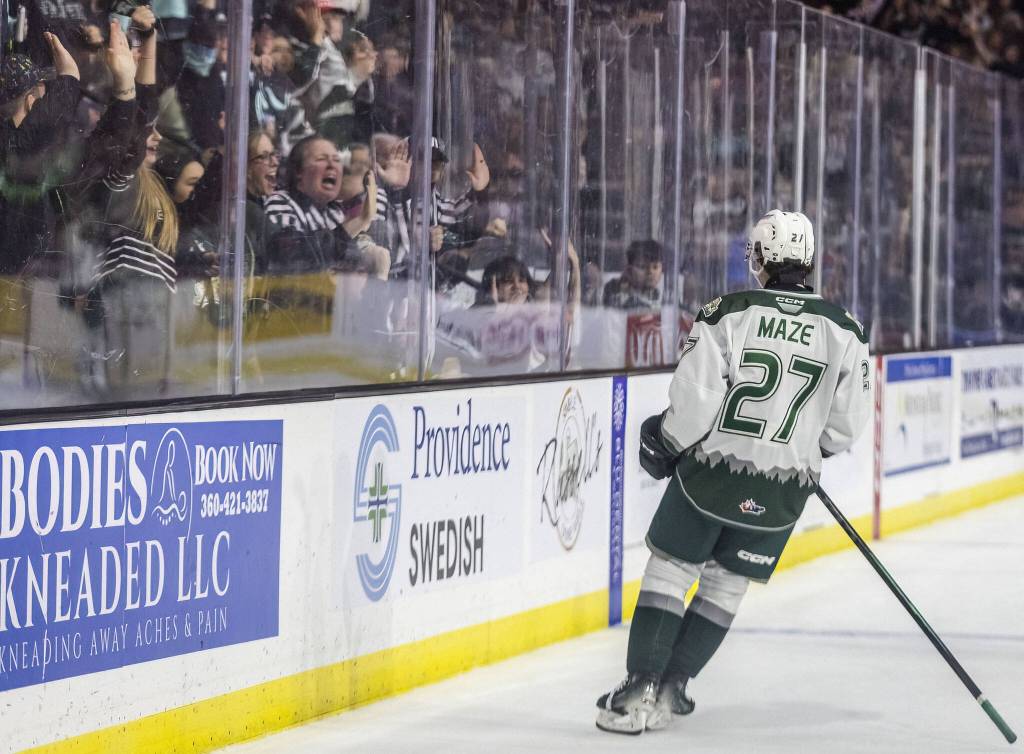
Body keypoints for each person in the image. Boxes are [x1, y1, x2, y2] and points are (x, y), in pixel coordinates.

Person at [595, 209, 872, 734]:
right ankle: (675, 686)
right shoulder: (847, 330)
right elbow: (845, 429)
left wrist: (668, 440)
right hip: (786, 489)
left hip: (712, 474)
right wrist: (802, 456)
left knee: (672, 570)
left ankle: (638, 693)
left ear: (762, 257)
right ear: (809, 259)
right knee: (727, 586)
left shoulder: (728, 313)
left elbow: (696, 403)